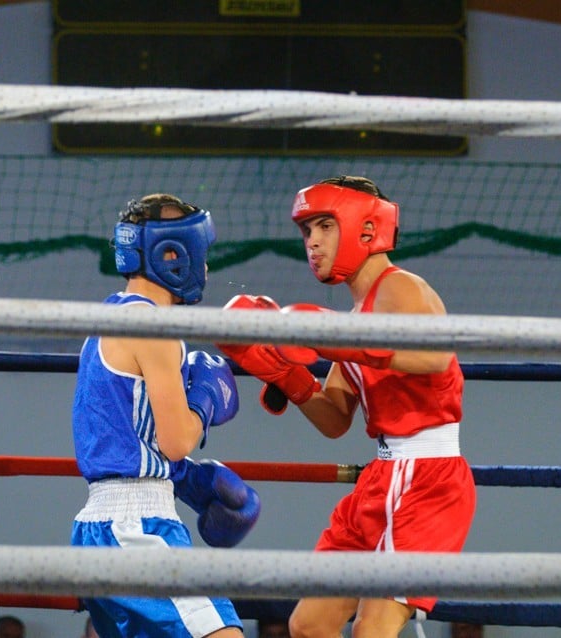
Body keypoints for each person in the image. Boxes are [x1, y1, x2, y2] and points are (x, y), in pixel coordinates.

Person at [218, 176, 475, 638]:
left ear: (363, 226)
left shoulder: (403, 289)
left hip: (427, 480)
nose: (311, 242)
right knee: (308, 625)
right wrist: (284, 374)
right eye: (306, 231)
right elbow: (335, 419)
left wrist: (343, 341)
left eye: (323, 226)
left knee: (372, 630)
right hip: (380, 480)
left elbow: (436, 355)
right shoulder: (352, 321)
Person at [70, 193, 261, 638]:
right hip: (138, 530)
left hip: (99, 526)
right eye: (201, 255)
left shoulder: (107, 317)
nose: (206, 268)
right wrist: (205, 400)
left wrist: (183, 480)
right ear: (171, 254)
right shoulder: (155, 328)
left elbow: (120, 434)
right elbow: (177, 440)